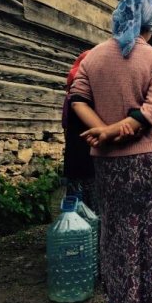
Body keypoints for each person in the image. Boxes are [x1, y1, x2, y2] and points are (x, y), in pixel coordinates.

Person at [70, 0, 152, 303]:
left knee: (118, 234)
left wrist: (103, 131)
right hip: (149, 161)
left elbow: (77, 98)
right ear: (151, 22)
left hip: (108, 163)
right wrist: (116, 129)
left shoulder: (92, 58)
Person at [61, 51, 97, 210]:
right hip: (91, 156)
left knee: (75, 205)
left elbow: (65, 125)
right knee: (93, 208)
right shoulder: (87, 92)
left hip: (74, 158)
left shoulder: (70, 93)